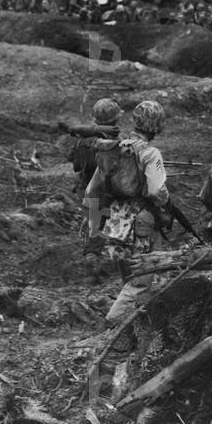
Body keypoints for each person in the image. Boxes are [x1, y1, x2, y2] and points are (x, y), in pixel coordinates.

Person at [83, 100, 174, 326]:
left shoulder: (112, 147)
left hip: (115, 218)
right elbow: (156, 190)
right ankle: (113, 323)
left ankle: (130, 321)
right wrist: (165, 203)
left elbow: (91, 189)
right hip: (141, 219)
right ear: (157, 127)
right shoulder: (150, 153)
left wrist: (93, 220)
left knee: (128, 275)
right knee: (141, 281)